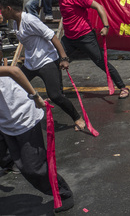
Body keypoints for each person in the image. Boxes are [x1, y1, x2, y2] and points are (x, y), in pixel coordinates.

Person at [0, 0, 86, 131]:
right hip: (30, 63)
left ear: (8, 8)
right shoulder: (16, 23)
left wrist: (63, 58)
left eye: (1, 8)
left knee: (55, 95)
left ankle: (77, 118)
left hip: (47, 61)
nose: (1, 12)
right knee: (14, 86)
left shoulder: (30, 20)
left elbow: (52, 36)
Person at [0, 66, 74, 212]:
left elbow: (14, 71)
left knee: (34, 168)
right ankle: (10, 160)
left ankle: (63, 193)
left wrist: (35, 96)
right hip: (3, 120)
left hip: (21, 117)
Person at [44, 0, 129, 99]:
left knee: (101, 62)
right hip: (69, 39)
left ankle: (123, 87)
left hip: (85, 37)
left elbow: (98, 7)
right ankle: (58, 94)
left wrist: (106, 27)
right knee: (56, 61)